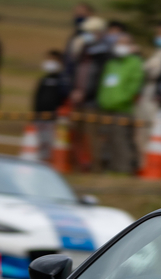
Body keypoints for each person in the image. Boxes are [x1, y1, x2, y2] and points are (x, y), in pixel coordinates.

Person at [97, 33, 144, 173]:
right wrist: (103, 100)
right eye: (119, 43)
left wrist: (122, 99)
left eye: (125, 43)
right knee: (108, 141)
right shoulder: (112, 63)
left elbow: (134, 86)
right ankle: (111, 168)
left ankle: (124, 169)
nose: (121, 46)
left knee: (121, 140)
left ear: (131, 46)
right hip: (106, 107)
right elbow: (104, 84)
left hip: (123, 108)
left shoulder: (135, 62)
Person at [70, 16, 110, 171]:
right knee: (76, 134)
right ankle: (77, 165)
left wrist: (85, 94)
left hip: (92, 101)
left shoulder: (104, 53)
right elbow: (76, 72)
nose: (85, 35)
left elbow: (99, 79)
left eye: (89, 32)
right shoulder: (84, 49)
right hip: (77, 97)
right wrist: (74, 90)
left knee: (93, 136)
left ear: (98, 32)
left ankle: (96, 167)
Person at [135, 21, 161, 158]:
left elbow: (155, 72)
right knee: (142, 128)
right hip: (146, 92)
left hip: (156, 94)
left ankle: (152, 162)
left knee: (153, 129)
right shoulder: (157, 52)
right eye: (159, 33)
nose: (160, 36)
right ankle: (142, 161)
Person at [33, 50, 67, 161]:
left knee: (50, 141)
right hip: (40, 116)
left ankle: (48, 161)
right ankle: (41, 159)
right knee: (40, 140)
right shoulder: (43, 79)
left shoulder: (61, 80)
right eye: (49, 59)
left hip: (53, 118)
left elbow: (63, 97)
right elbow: (37, 97)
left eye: (53, 60)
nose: (50, 62)